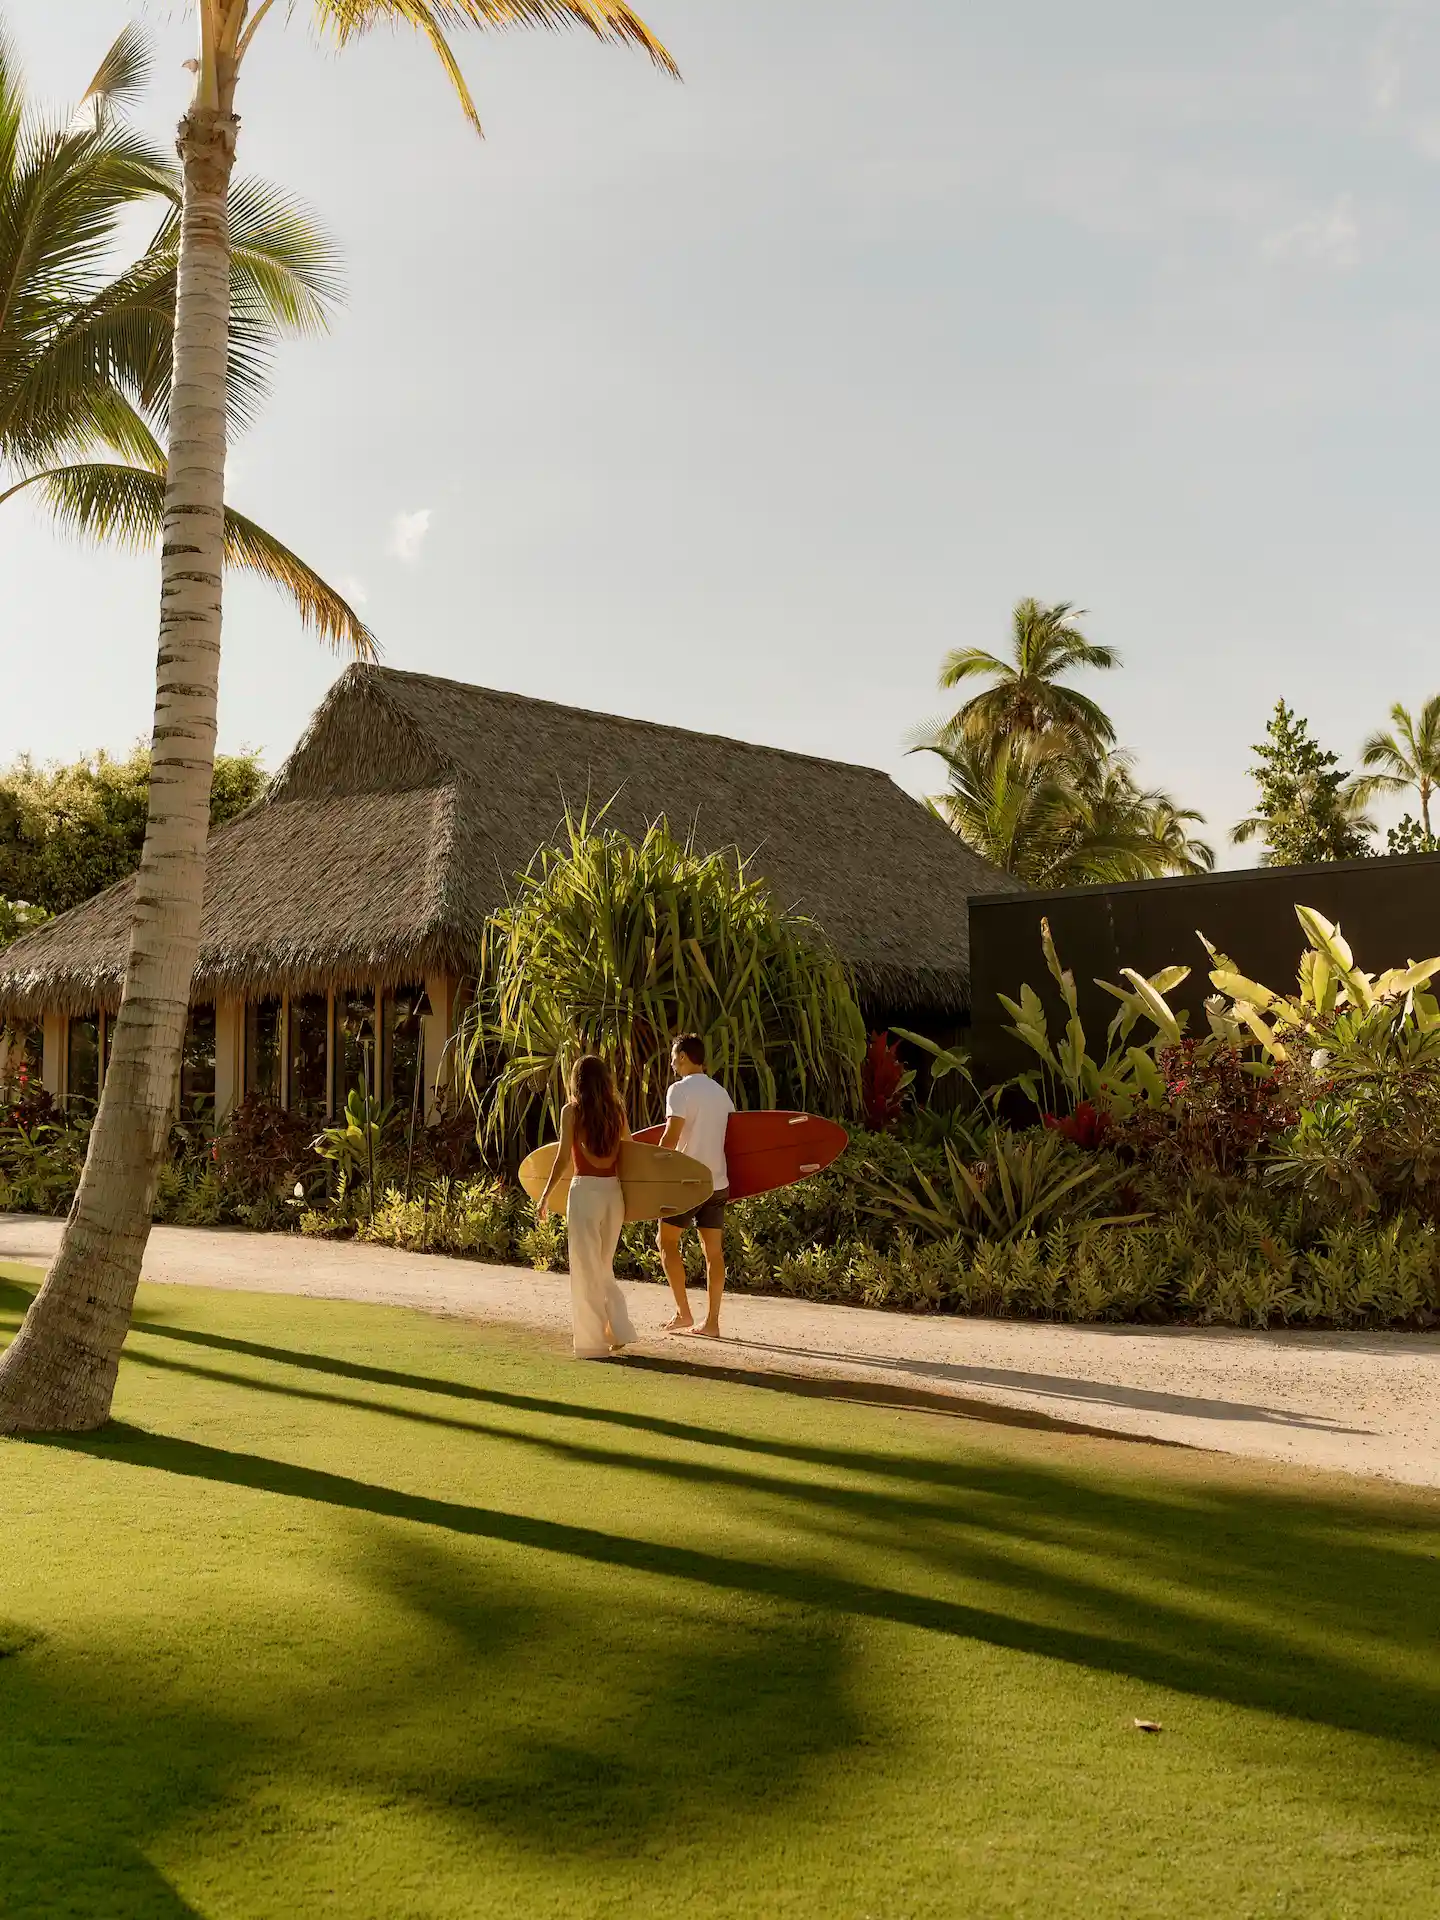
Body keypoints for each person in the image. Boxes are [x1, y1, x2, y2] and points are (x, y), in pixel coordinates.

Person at [538, 1054, 637, 1361]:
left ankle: (592, 1344)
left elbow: (562, 1159)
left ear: (576, 1080)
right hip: (613, 1195)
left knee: (585, 1269)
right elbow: (630, 1151)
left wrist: (545, 1195)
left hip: (584, 1193)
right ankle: (617, 1329)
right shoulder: (617, 1111)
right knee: (602, 1266)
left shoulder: (572, 1111)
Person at [656, 1032, 735, 1338]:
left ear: (683, 1057)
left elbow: (671, 1138)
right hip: (717, 1182)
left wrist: (652, 1171)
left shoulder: (679, 1090)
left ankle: (683, 1313)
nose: (672, 1063)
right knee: (713, 1252)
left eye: (673, 1057)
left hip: (687, 1182)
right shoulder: (721, 1093)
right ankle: (712, 1323)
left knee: (666, 1242)